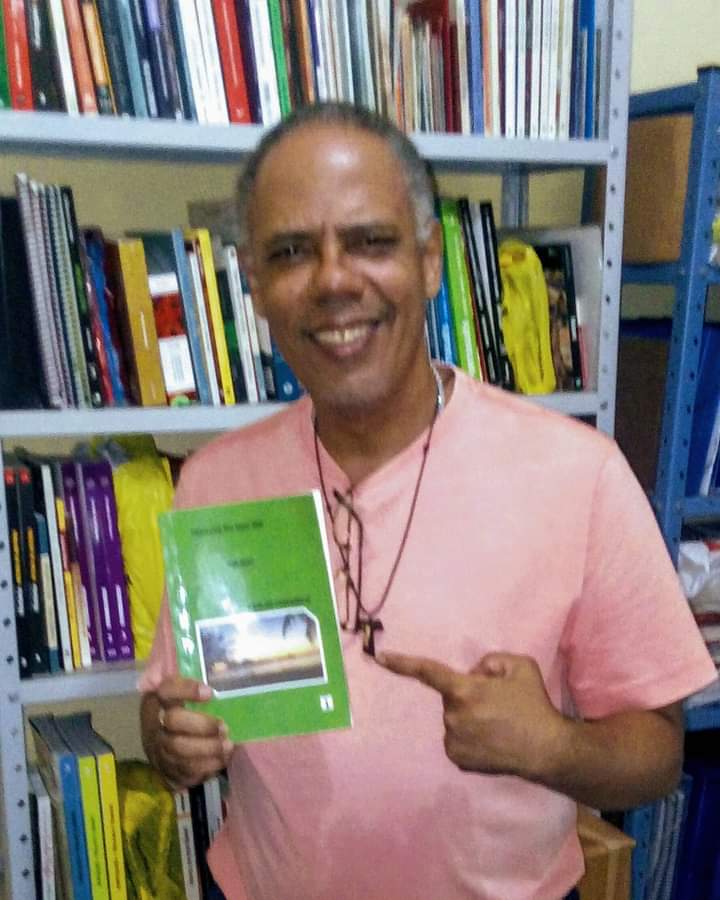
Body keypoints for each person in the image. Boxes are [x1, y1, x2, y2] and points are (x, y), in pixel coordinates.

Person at [139, 103, 717, 900]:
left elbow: (658, 753)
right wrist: (170, 741)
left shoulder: (576, 474)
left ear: (430, 261)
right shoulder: (214, 481)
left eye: (370, 241)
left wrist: (552, 745)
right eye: (292, 251)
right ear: (256, 286)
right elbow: (172, 708)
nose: (334, 280)